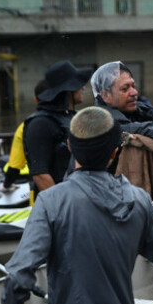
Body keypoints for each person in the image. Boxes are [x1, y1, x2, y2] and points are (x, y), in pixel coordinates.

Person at [1, 106, 153, 304]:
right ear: (115, 152)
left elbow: (17, 277)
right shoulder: (139, 201)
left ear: (69, 146)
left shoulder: (50, 202)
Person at [23, 61, 90, 202]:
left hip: (80, 197)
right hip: (58, 207)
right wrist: (62, 207)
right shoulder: (41, 123)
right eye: (78, 84)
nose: (83, 88)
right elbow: (40, 174)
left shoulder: (73, 117)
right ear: (68, 90)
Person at [0, 79, 49, 192]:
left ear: (36, 100)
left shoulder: (27, 126)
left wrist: (6, 185)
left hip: (43, 192)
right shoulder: (74, 120)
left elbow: (15, 165)